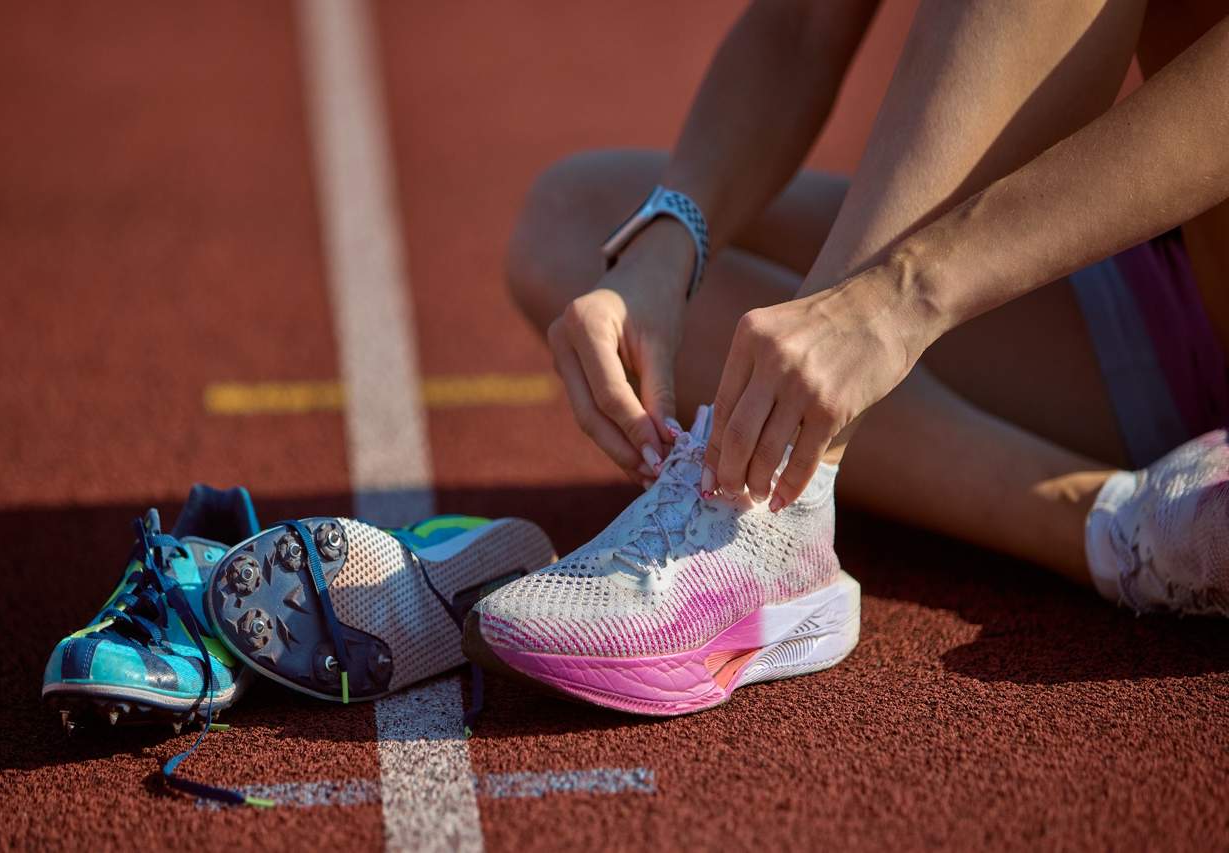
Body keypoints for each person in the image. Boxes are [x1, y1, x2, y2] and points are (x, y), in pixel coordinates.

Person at [503, 0, 1229, 615]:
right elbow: (804, 24)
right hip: (1158, 287)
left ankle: (794, 481)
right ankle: (1120, 522)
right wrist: (667, 250)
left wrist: (903, 294)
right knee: (575, 223)